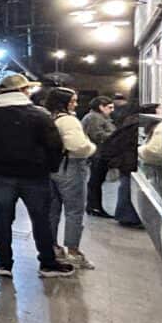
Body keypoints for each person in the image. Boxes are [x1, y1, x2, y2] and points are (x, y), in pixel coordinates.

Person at [0, 74, 75, 278]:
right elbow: (54, 146)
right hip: (35, 176)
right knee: (40, 219)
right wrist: (50, 168)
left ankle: (4, 263)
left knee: (2, 218)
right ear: (24, 91)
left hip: (0, 175)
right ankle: (47, 263)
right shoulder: (39, 115)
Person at [44, 88, 96, 269]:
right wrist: (91, 148)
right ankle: (73, 251)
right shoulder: (69, 120)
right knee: (74, 211)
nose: (76, 104)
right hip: (71, 166)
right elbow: (78, 146)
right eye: (73, 101)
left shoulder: (49, 117)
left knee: (52, 210)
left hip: (51, 167)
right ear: (63, 102)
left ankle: (52, 247)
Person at [100, 104, 158, 228]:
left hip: (125, 159)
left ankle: (126, 215)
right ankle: (127, 217)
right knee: (127, 187)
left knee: (126, 186)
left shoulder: (131, 121)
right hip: (129, 160)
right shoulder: (138, 125)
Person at [82, 96, 115, 218]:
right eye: (109, 107)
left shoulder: (100, 117)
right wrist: (115, 135)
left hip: (100, 153)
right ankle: (94, 207)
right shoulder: (94, 118)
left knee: (97, 181)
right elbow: (97, 136)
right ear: (101, 107)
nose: (112, 110)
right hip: (97, 154)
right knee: (95, 182)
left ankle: (95, 206)